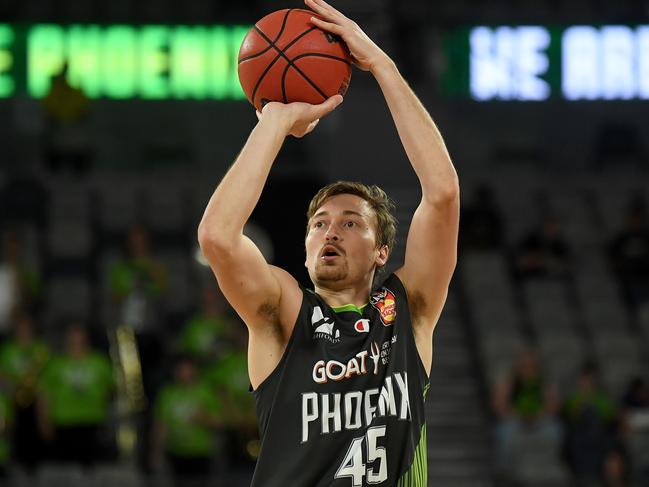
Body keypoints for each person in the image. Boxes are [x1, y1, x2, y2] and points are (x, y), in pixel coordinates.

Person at [197, 0, 459, 485]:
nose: (330, 231)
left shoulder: (409, 310)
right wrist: (274, 121)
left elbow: (442, 194)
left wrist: (382, 65)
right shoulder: (283, 312)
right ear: (305, 246)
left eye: (350, 222)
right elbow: (216, 236)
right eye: (318, 223)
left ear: (383, 251)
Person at [37, 324, 115, 466]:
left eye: (81, 341)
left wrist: (107, 417)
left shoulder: (100, 363)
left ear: (87, 341)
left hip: (92, 421)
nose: (77, 346)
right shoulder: (56, 364)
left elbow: (111, 391)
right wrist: (44, 422)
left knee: (91, 468)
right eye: (73, 342)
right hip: (63, 422)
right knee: (65, 467)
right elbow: (44, 396)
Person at [151, 355, 221, 487]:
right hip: (175, 452)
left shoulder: (206, 391)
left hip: (201, 453)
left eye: (186, 368)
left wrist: (204, 418)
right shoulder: (168, 393)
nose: (182, 372)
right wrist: (156, 452)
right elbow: (160, 425)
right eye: (179, 368)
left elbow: (221, 422)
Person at [492, 349, 562, 477]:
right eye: (525, 364)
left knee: (555, 430)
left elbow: (554, 406)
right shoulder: (511, 381)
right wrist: (516, 414)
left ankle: (551, 466)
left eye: (531, 364)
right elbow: (499, 405)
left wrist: (539, 415)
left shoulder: (543, 381)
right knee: (505, 433)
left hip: (539, 421)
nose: (528, 367)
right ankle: (504, 471)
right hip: (516, 420)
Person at [0, 310, 50, 470]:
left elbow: (47, 374)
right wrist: (14, 388)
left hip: (36, 399)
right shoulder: (8, 350)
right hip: (13, 398)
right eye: (20, 328)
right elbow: (2, 375)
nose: (24, 331)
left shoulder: (41, 349)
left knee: (36, 428)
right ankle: (13, 462)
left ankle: (34, 464)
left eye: (27, 327)